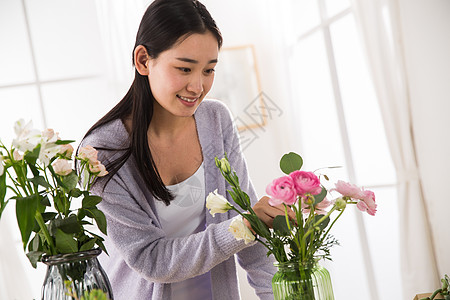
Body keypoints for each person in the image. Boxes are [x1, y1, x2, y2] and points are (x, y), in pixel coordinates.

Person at [80, 0, 289, 299]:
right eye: (184, 68)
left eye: (208, 70)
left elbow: (252, 234)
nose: (197, 86)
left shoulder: (216, 120)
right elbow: (150, 258)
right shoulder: (101, 153)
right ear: (143, 60)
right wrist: (242, 227)